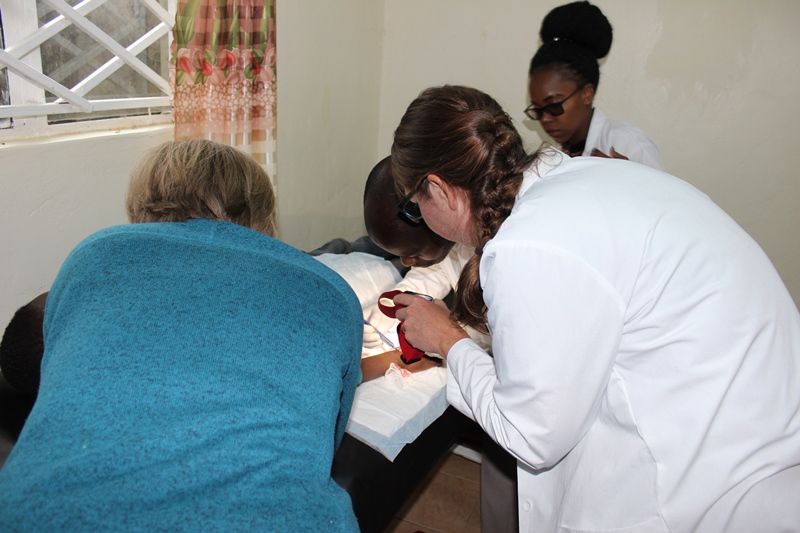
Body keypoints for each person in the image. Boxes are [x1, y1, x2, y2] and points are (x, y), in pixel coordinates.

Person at [389, 84, 800, 532]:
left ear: (438, 189)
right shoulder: (576, 183)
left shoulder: (529, 243)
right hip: (754, 440)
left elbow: (531, 433)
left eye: (413, 207)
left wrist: (448, 341)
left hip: (711, 484)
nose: (419, 219)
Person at [0, 139, 363, 532]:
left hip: (39, 513)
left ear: (143, 205)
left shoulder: (90, 257)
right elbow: (325, 438)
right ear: (263, 214)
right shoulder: (332, 292)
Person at [363, 156, 517, 532]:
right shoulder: (458, 237)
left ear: (436, 214)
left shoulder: (510, 256)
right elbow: (434, 272)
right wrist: (397, 305)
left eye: (411, 253)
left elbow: (487, 334)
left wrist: (443, 340)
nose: (406, 260)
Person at [526, 1, 664, 170]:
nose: (545, 119)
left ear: (587, 93)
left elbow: (665, 189)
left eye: (554, 106)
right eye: (537, 110)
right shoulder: (550, 159)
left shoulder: (630, 144)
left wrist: (629, 177)